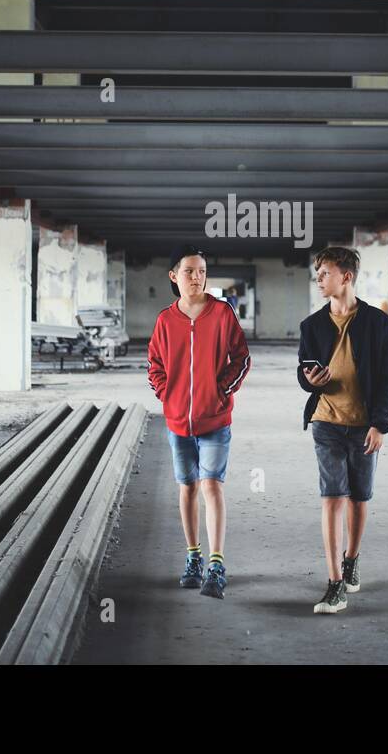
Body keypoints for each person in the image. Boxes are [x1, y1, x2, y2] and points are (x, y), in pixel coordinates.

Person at [297, 246, 388, 615]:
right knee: (333, 497)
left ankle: (352, 558)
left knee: (359, 497)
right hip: (326, 421)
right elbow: (302, 372)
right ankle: (335, 582)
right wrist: (310, 380)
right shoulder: (312, 325)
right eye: (318, 273)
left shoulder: (377, 323)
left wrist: (380, 424)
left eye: (324, 272)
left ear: (346, 277)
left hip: (363, 425)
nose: (319, 279)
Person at [147, 244, 251, 600]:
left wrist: (223, 390)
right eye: (189, 271)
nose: (197, 277)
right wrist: (168, 395)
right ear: (174, 276)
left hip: (215, 419)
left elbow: (241, 357)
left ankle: (216, 564)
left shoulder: (222, 314)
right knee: (187, 487)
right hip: (178, 421)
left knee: (212, 486)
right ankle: (193, 557)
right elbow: (155, 366)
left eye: (202, 271)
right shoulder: (165, 320)